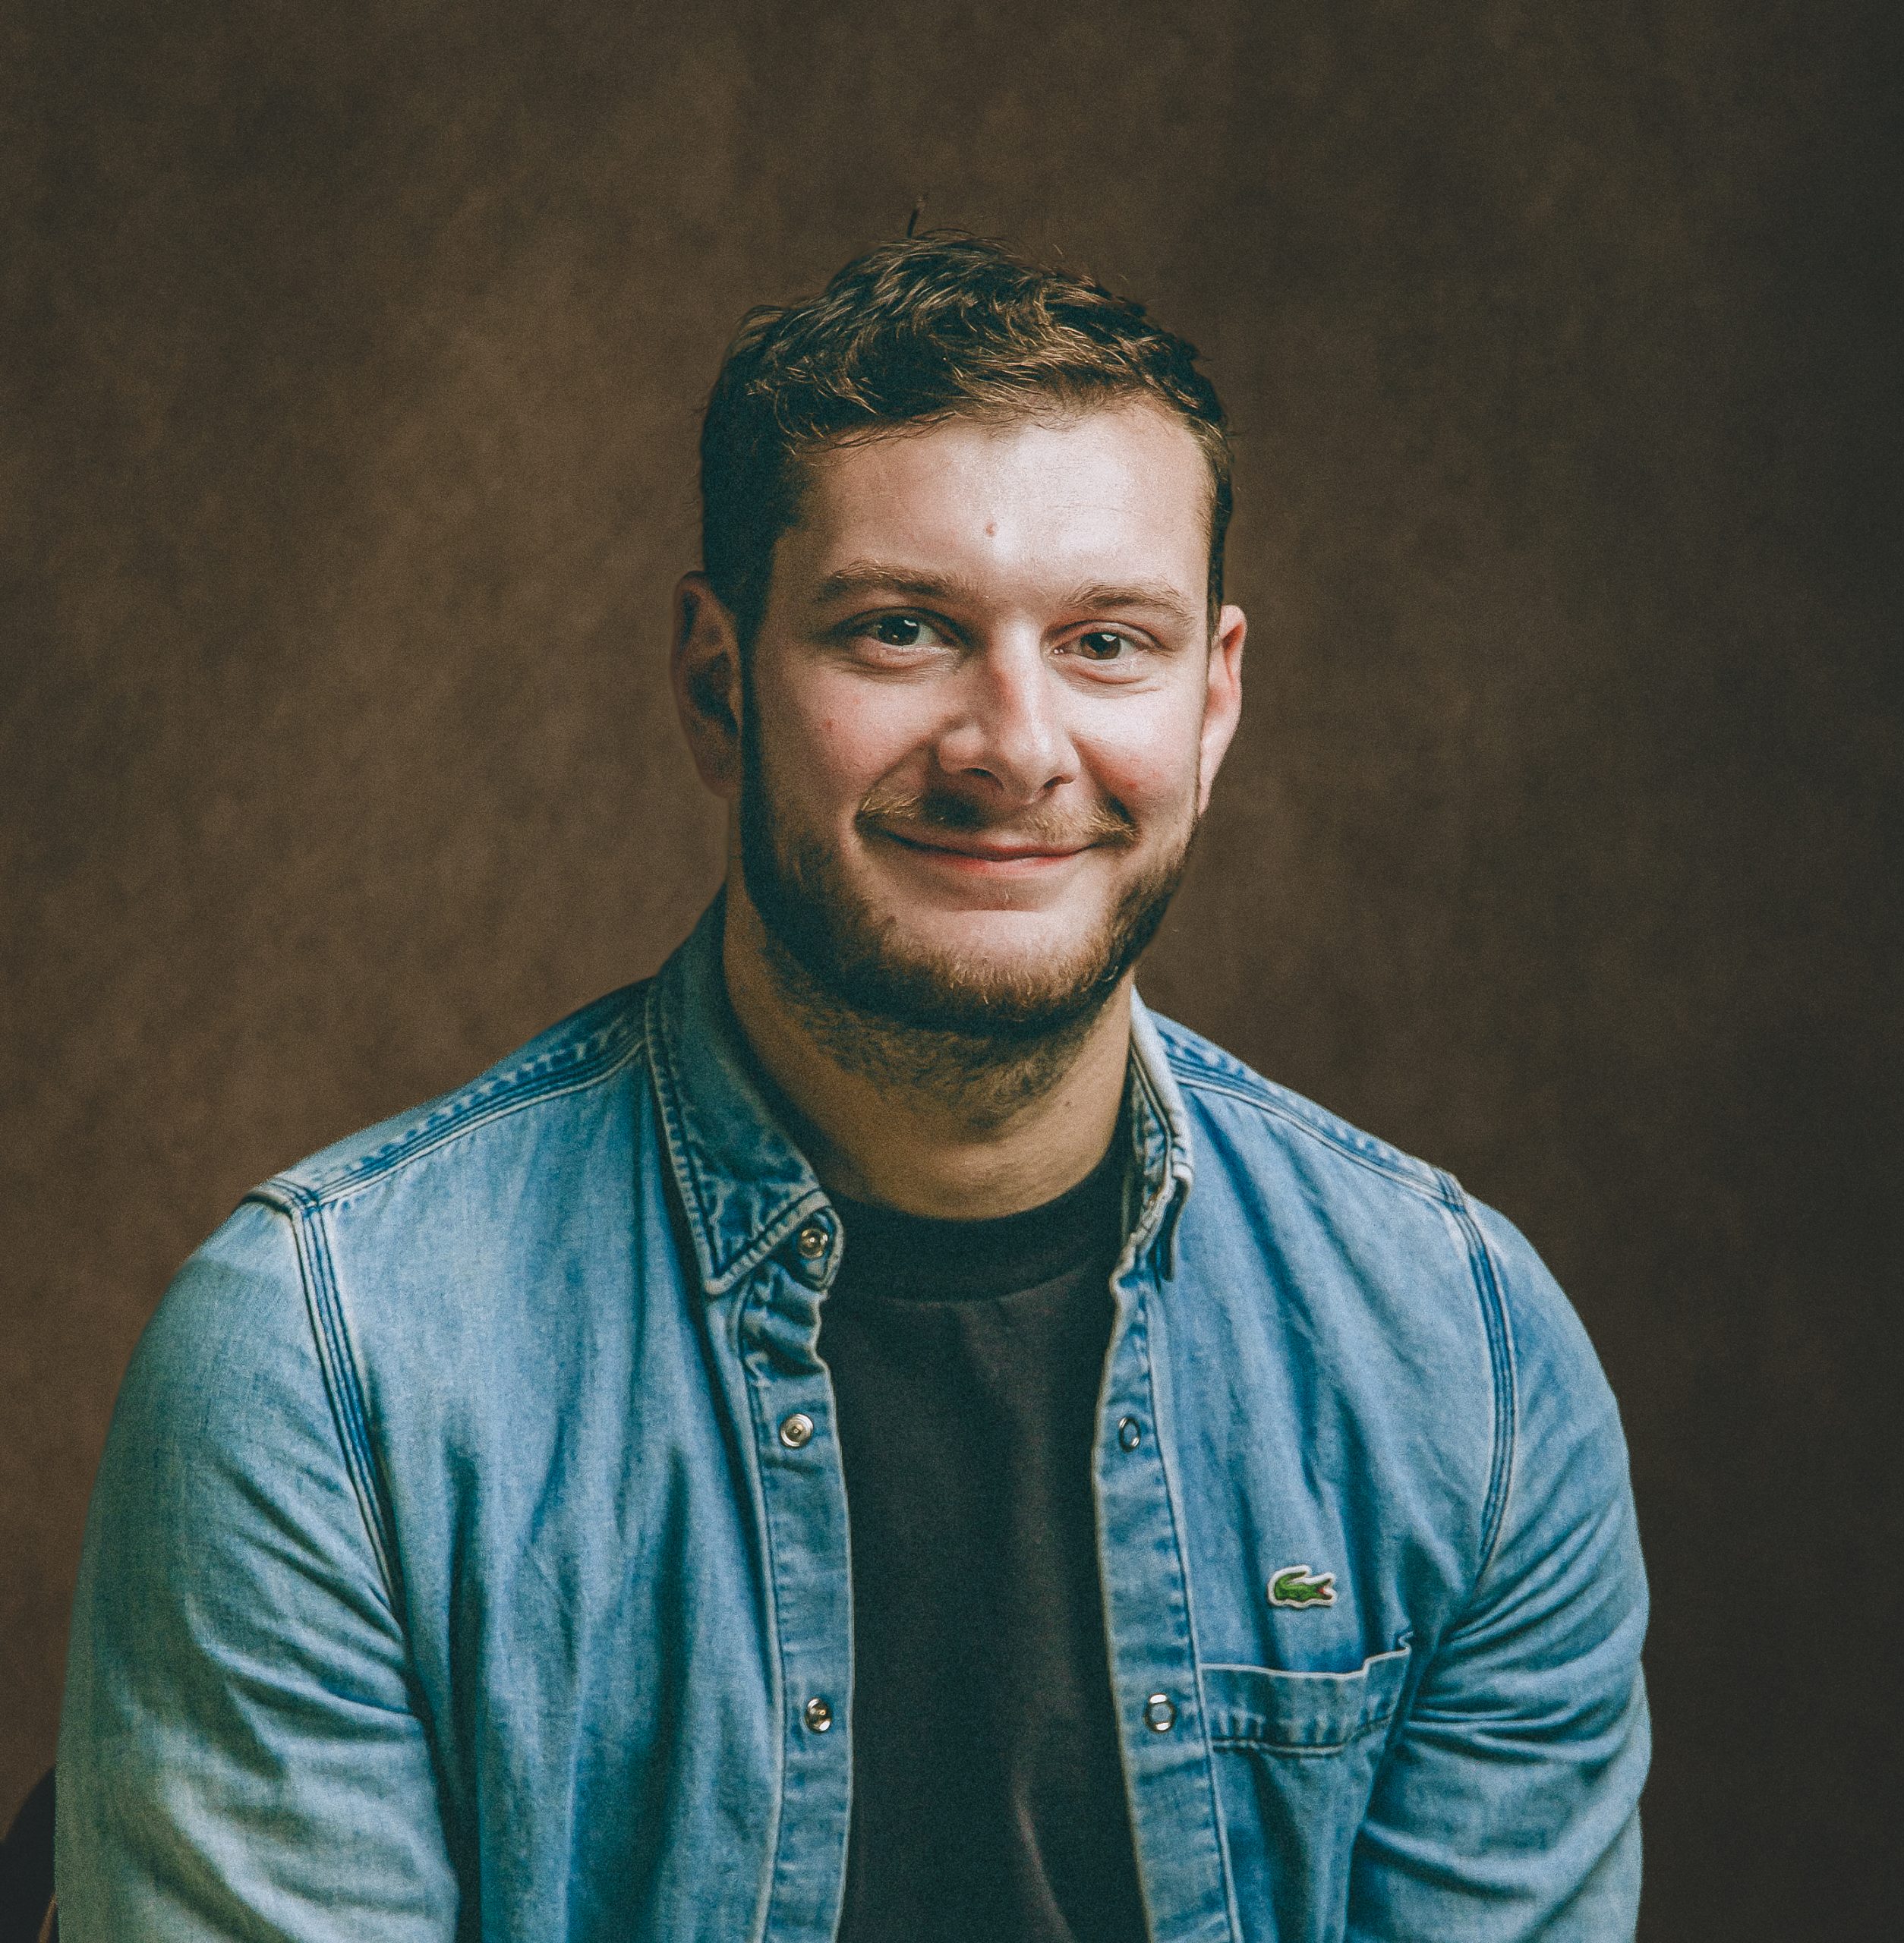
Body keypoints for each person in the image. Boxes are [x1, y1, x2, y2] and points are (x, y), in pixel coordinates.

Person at [57, 235, 1649, 1941]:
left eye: (1107, 640)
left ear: (1213, 697)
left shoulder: (1457, 1361)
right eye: (900, 630)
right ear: (715, 680)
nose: (1013, 743)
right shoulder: (327, 1364)